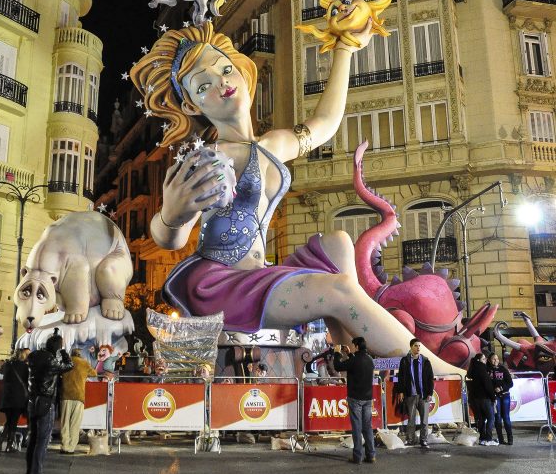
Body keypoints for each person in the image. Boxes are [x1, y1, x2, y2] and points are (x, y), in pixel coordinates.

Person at [130, 23, 457, 374]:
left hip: (258, 276)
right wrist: (173, 214)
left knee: (339, 244)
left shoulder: (272, 145)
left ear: (240, 71)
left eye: (225, 70)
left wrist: (345, 48)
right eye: (203, 86)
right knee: (341, 287)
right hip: (220, 283)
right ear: (192, 106)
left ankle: (345, 354)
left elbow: (326, 123)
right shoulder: (208, 157)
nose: (222, 83)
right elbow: (170, 238)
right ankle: (442, 373)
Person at [25, 334, 73, 474]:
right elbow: (69, 366)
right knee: (43, 440)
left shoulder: (34, 356)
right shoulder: (51, 361)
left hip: (33, 401)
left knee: (33, 439)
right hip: (46, 402)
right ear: (58, 346)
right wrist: (64, 353)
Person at [333, 336, 377, 464]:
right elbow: (358, 364)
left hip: (355, 398)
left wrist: (337, 353)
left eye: (353, 346)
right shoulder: (370, 360)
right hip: (368, 398)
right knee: (367, 427)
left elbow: (338, 366)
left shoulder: (355, 360)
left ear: (357, 346)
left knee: (357, 427)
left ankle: (357, 456)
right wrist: (349, 354)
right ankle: (371, 455)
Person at [397, 338, 435, 449]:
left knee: (424, 420)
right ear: (411, 347)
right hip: (410, 395)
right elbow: (401, 377)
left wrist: (430, 393)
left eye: (419, 346)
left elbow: (430, 378)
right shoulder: (405, 361)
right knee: (411, 420)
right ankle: (410, 440)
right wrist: (401, 391)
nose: (418, 348)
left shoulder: (425, 361)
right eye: (415, 346)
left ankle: (424, 440)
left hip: (423, 395)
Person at [59, 348, 96, 454]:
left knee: (64, 423)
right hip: (79, 396)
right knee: (75, 424)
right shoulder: (84, 363)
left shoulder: (66, 362)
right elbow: (94, 373)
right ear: (80, 355)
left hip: (65, 395)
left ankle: (64, 446)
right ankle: (71, 448)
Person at [0, 347, 29, 455]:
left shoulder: (7, 364)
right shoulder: (24, 367)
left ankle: (2, 443)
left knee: (10, 421)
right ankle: (5, 445)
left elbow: (1, 371)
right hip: (18, 398)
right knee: (12, 422)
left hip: (7, 398)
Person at [466, 352, 498, 446]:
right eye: (484, 359)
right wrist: (493, 397)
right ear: (479, 360)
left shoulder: (472, 370)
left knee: (481, 419)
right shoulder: (482, 370)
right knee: (491, 418)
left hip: (475, 399)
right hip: (485, 398)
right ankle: (488, 438)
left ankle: (482, 438)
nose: (485, 361)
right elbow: (488, 386)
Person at [487, 351, 513, 445]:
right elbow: (487, 384)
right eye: (494, 359)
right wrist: (494, 389)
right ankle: (501, 439)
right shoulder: (487, 370)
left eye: (497, 359)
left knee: (506, 417)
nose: (496, 360)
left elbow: (510, 383)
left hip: (505, 395)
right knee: (497, 418)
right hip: (495, 397)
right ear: (489, 360)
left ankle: (510, 438)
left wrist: (501, 388)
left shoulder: (503, 369)